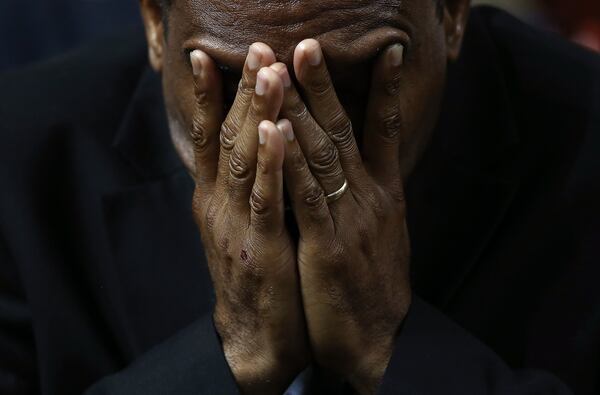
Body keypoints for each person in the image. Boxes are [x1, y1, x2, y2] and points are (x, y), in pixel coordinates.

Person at [0, 0, 598, 394]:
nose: (288, 135)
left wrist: (392, 344)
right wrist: (231, 354)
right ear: (156, 22)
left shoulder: (583, 139)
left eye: (355, 83)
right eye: (232, 82)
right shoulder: (18, 162)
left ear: (449, 14)